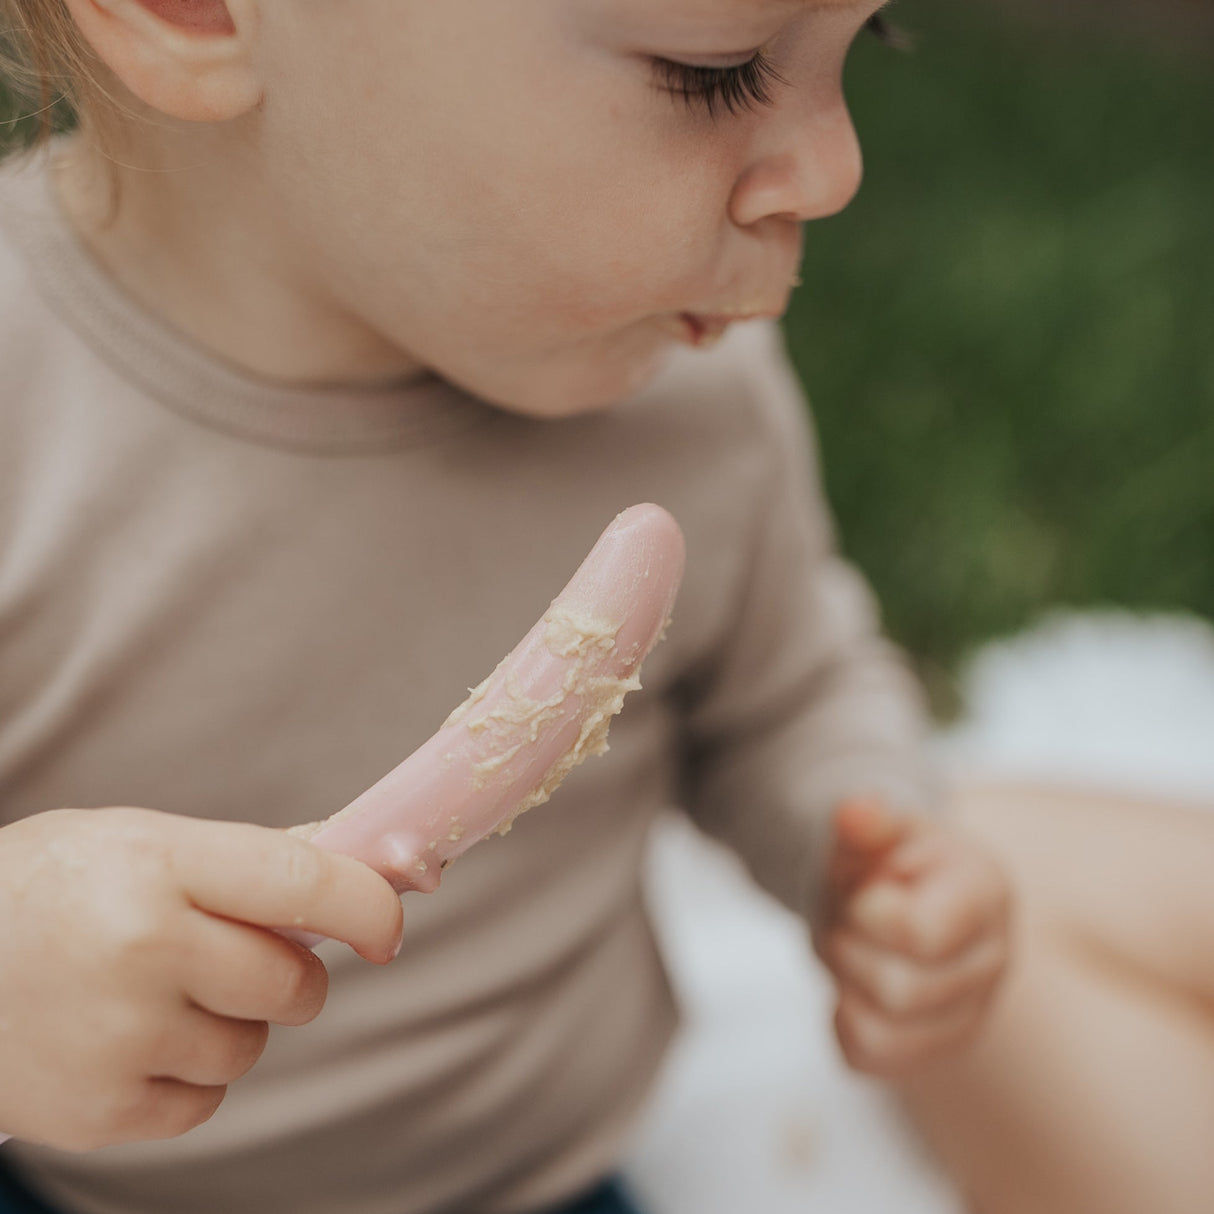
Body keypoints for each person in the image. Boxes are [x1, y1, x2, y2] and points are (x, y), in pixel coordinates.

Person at [0, 2, 1011, 1213]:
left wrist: (868, 846)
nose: (835, 170)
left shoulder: (690, 389)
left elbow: (786, 689)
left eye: (872, 33)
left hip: (537, 1183)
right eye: (716, 73)